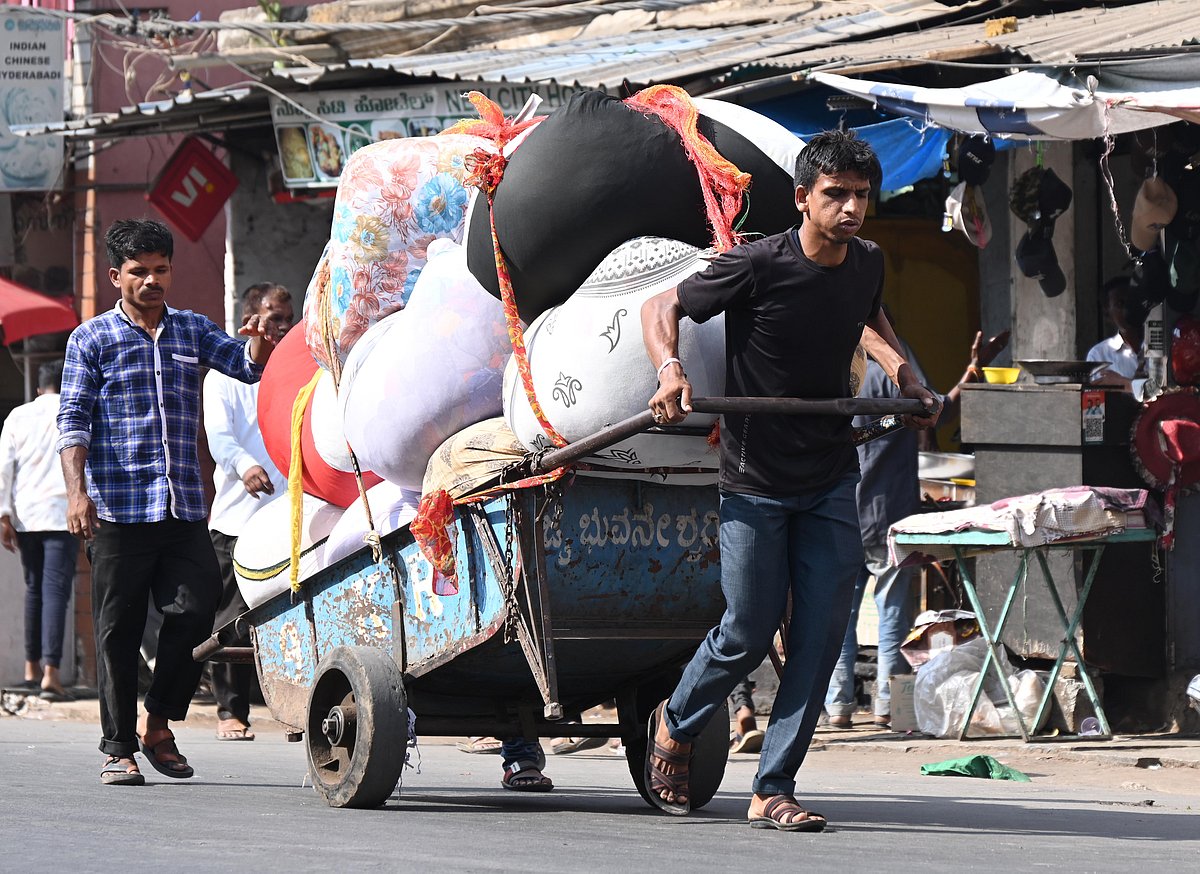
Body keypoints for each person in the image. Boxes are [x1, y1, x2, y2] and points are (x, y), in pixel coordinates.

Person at [640, 130, 939, 830]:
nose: (851, 208)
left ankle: (773, 786)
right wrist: (670, 370)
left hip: (830, 475)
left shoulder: (868, 262)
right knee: (746, 630)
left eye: (861, 195)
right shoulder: (757, 265)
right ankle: (676, 722)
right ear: (803, 198)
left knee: (820, 637)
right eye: (836, 195)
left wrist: (906, 376)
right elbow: (662, 307)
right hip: (755, 479)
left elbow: (868, 317)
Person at [57, 218, 280, 786]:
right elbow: (73, 420)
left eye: (161, 269)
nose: (152, 280)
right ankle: (118, 748)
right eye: (140, 271)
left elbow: (247, 366)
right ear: (116, 276)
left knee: (197, 612)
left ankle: (157, 722)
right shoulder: (91, 339)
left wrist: (256, 338)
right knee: (118, 631)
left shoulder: (192, 330)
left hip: (182, 508)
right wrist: (76, 493)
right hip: (117, 510)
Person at [824, 328, 1009, 729]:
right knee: (892, 610)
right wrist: (975, 369)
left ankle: (837, 706)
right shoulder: (897, 376)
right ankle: (887, 705)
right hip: (889, 513)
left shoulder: (835, 373)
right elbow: (939, 411)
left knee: (839, 615)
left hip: (841, 512)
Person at [203, 282, 294, 741]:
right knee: (232, 620)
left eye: (288, 319)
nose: (282, 328)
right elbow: (219, 437)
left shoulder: (297, 369)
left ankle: (300, 708)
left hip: (291, 515)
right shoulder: (223, 375)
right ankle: (230, 711)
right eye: (274, 319)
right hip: (238, 518)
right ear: (250, 321)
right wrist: (245, 466)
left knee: (295, 613)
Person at [0, 360, 78, 701]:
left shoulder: (18, 416)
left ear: (38, 388)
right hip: (62, 514)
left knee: (34, 590)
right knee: (56, 593)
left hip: (26, 516)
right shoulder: (73, 412)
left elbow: (4, 467)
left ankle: (31, 669)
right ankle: (51, 675)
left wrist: (4, 515)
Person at [1088, 275, 1147, 389]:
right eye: (1120, 304)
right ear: (1107, 314)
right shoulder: (1099, 355)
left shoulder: (1163, 345)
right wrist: (1135, 387)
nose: (1128, 310)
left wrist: (1125, 384)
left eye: (1132, 302)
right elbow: (1097, 397)